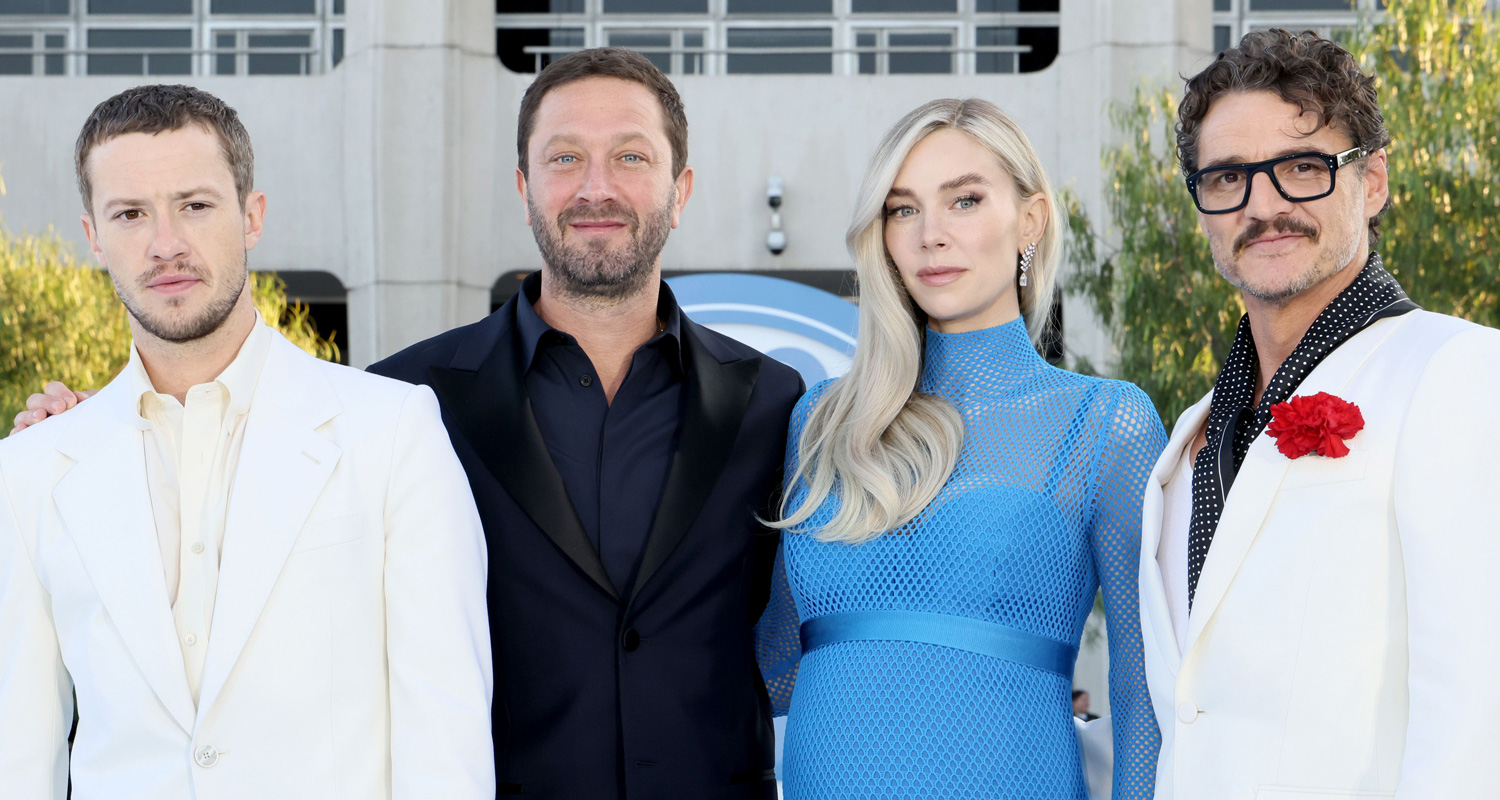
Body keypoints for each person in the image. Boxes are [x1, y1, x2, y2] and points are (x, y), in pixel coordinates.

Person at [12, 51, 801, 800]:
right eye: (564, 158)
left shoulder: (772, 403)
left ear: (682, 186)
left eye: (630, 156)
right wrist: (72, 438)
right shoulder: (407, 394)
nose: (596, 187)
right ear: (524, 183)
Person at [0, 85, 493, 799]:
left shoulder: (392, 433)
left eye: (194, 205)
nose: (165, 242)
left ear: (251, 216)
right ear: (94, 237)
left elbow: (445, 743)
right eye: (131, 213)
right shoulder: (33, 467)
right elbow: (17, 754)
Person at [755, 98, 1163, 799]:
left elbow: (1140, 686)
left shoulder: (1105, 422)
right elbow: (774, 667)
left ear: (1029, 220)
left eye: (964, 201)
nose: (930, 236)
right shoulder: (819, 421)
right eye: (902, 209)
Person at [1139, 30, 1500, 800]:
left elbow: (1478, 710)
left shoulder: (1459, 372)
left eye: (1301, 168)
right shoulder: (1189, 439)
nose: (1261, 206)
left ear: (1371, 183)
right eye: (1227, 177)